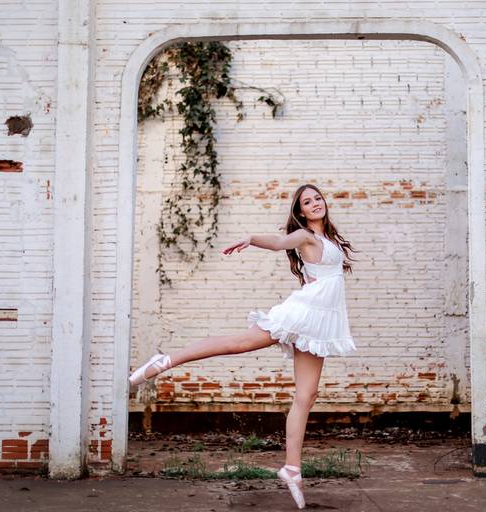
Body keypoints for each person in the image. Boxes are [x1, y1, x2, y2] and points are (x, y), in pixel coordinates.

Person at [128, 183, 357, 509]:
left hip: (319, 323)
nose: (315, 203)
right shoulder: (305, 235)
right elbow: (280, 242)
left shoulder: (329, 238)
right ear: (301, 212)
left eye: (317, 198)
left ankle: (292, 469)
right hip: (302, 314)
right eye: (308, 202)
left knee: (306, 396)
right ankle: (165, 360)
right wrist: (252, 238)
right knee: (239, 344)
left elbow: (324, 275)